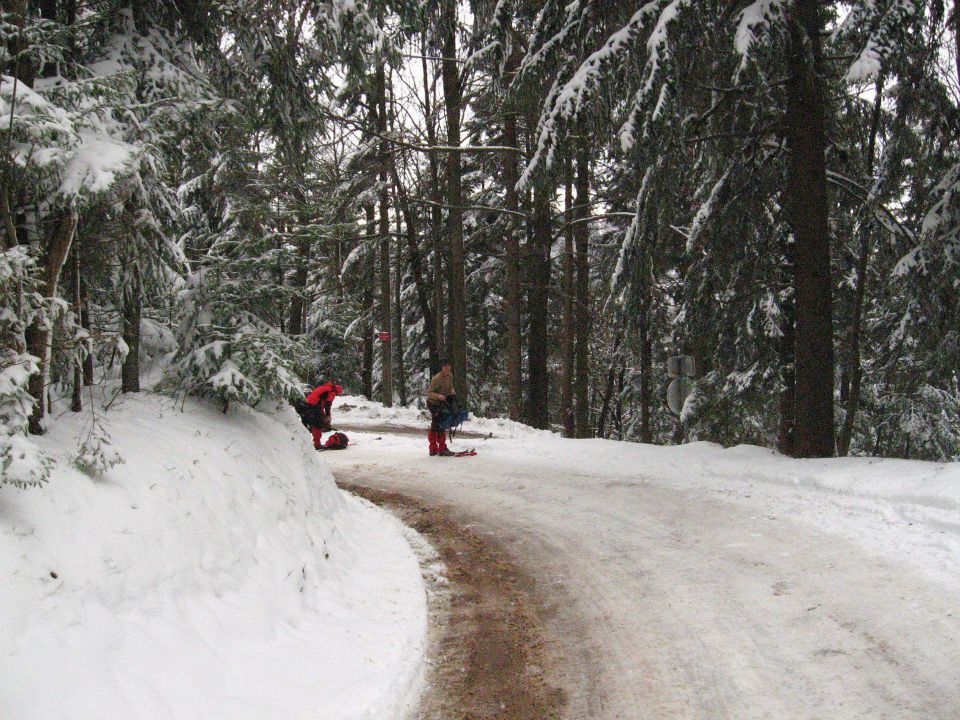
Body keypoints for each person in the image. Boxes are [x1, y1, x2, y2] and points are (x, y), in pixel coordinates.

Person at [426, 360, 456, 456]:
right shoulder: (436, 378)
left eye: (448, 366)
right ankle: (439, 448)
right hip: (433, 403)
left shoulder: (450, 376)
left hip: (442, 403)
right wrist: (438, 396)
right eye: (445, 366)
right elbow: (429, 393)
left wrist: (452, 390)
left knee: (439, 424)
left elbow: (450, 386)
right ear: (442, 368)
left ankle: (436, 448)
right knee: (438, 424)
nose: (447, 368)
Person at [304, 379, 343, 450]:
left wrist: (325, 414)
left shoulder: (325, 388)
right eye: (337, 394)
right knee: (318, 424)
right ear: (337, 391)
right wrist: (327, 415)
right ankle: (317, 445)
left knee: (313, 423)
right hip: (314, 406)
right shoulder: (332, 391)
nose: (336, 395)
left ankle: (306, 440)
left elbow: (320, 402)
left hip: (307, 404)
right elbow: (328, 404)